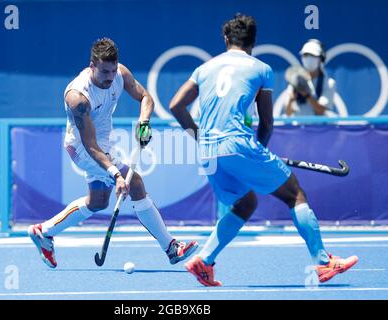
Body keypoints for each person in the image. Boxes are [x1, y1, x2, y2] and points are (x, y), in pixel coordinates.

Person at [169, 14, 358, 286]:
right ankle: (324, 263)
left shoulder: (205, 68)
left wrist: (199, 137)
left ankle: (205, 261)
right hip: (239, 144)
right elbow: (267, 123)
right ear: (253, 42)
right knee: (295, 195)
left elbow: (176, 105)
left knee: (246, 203)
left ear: (225, 39)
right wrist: (257, 155)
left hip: (207, 151)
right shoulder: (261, 69)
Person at [28, 37, 198, 268]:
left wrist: (144, 122)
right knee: (135, 182)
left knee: (97, 202)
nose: (110, 77)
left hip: (102, 145)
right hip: (82, 148)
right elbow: (90, 145)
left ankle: (44, 231)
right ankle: (171, 248)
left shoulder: (120, 74)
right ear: (92, 67)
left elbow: (146, 97)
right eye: (105, 72)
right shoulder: (78, 98)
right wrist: (116, 175)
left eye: (113, 70)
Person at [282, 39, 337, 116]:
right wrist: (291, 99)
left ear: (321, 59)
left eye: (313, 56)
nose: (309, 58)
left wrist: (306, 95)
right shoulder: (295, 80)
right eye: (305, 55)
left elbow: (320, 111)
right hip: (298, 126)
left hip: (319, 127)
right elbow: (288, 113)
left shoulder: (329, 83)